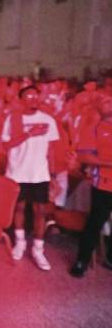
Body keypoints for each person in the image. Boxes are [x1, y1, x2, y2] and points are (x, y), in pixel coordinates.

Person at [1, 85, 59, 271]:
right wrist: (29, 133)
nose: (33, 99)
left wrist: (53, 175)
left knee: (40, 211)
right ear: (21, 99)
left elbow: (51, 151)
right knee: (18, 207)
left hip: (39, 173)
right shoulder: (13, 118)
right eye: (28, 96)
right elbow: (7, 145)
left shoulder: (48, 120)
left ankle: (38, 249)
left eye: (35, 96)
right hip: (17, 171)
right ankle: (20, 243)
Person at [69, 95, 112, 277]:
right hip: (103, 184)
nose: (110, 104)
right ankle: (82, 261)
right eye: (105, 102)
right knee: (95, 223)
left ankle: (110, 257)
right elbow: (84, 157)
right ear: (98, 108)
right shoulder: (93, 129)